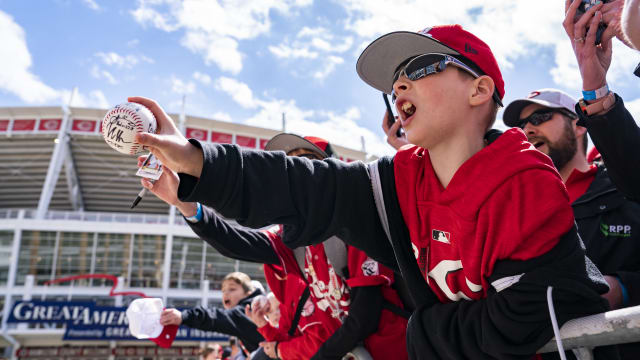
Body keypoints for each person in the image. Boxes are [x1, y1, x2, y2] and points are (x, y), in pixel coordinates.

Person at [130, 24, 614, 359]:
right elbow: (304, 187)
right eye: (394, 83)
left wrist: (420, 333)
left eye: (421, 67)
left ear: (479, 90)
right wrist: (196, 160)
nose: (400, 84)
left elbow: (523, 319)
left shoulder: (522, 178)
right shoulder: (398, 179)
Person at [140, 134, 408, 359]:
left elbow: (366, 313)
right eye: (290, 165)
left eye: (307, 161)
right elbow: (236, 243)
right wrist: (184, 203)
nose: (298, 172)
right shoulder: (293, 241)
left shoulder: (353, 220)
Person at [499, 2, 640, 358]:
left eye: (541, 117)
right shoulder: (519, 207)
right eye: (521, 125)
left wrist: (622, 288)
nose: (528, 129)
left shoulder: (621, 185)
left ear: (579, 124)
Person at [159, 272, 265, 354]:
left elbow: (216, 317)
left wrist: (183, 316)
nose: (226, 293)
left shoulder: (248, 310)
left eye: (232, 289)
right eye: (223, 290)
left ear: (248, 293)